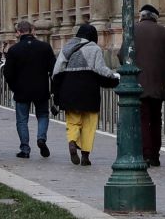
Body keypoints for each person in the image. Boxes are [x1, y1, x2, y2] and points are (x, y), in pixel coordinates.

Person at [51, 23, 119, 166]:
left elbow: (57, 71)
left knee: (73, 121)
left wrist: (55, 93)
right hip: (89, 91)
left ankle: (72, 142)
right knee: (89, 123)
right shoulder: (94, 49)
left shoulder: (67, 47)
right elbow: (101, 69)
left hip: (69, 90)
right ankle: (85, 155)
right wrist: (115, 78)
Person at [2, 19, 57, 159]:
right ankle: (41, 138)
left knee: (22, 120)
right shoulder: (45, 47)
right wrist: (52, 87)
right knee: (43, 115)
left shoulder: (13, 50)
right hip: (41, 89)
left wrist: (14, 87)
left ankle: (25, 149)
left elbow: (7, 73)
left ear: (18, 32)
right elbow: (53, 69)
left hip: (21, 90)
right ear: (33, 31)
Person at [133, 3, 165, 167]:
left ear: (141, 16)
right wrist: (163, 70)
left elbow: (122, 55)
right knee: (156, 119)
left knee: (143, 119)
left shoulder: (132, 30)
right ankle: (155, 155)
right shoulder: (164, 32)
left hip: (137, 84)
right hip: (158, 85)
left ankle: (145, 153)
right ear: (155, 17)